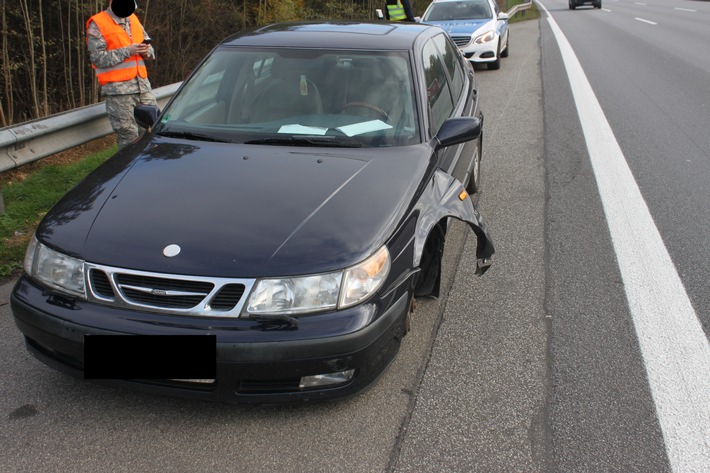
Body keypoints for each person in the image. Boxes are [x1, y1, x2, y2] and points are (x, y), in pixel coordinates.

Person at [87, 0, 158, 149]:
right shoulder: (98, 23)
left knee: (154, 127)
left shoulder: (133, 19)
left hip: (142, 88)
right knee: (128, 136)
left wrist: (147, 52)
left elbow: (149, 48)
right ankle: (130, 171)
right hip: (118, 92)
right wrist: (128, 51)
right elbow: (98, 59)